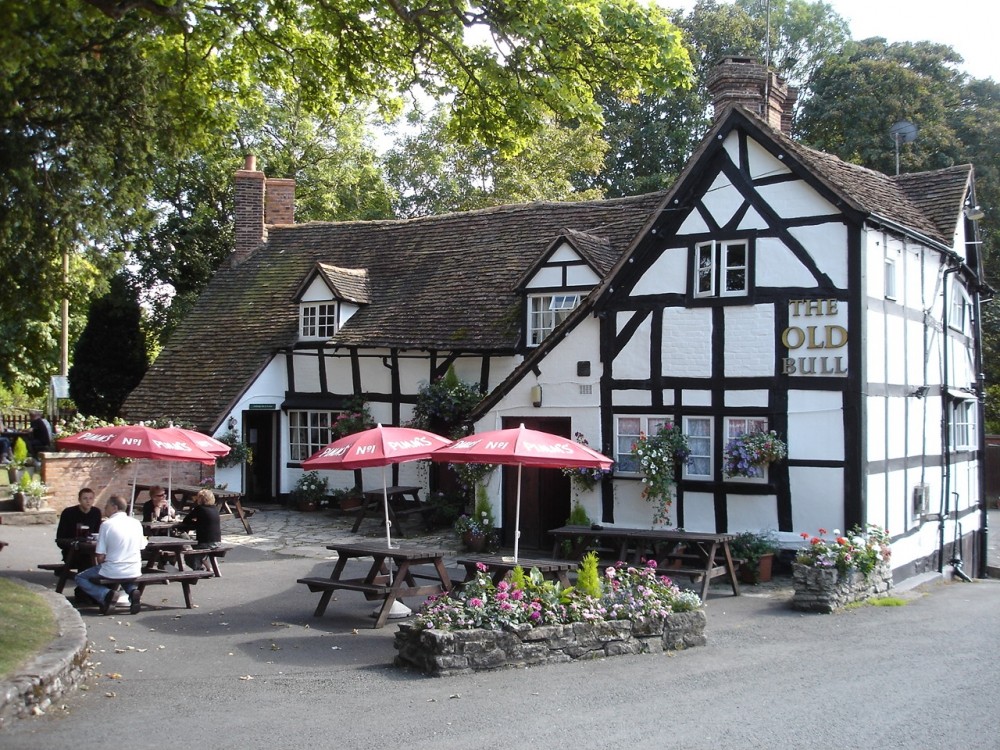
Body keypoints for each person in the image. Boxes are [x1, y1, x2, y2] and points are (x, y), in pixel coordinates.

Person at [75, 495, 147, 615]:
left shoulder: (107, 525)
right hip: (134, 568)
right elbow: (142, 546)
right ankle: (132, 591)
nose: (105, 508)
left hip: (114, 568)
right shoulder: (136, 523)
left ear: (114, 507)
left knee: (80, 578)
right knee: (122, 573)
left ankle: (106, 594)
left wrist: (103, 562)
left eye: (107, 506)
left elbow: (99, 555)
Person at [56, 487, 104, 562]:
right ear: (79, 500)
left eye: (91, 498)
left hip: (89, 550)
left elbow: (97, 533)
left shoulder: (96, 512)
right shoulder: (68, 513)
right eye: (85, 498)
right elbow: (60, 538)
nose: (88, 501)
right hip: (72, 550)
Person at [181, 488, 221, 571]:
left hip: (205, 542)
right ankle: (208, 568)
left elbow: (186, 520)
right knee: (197, 549)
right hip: (217, 541)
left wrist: (195, 522)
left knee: (188, 551)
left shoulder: (199, 509)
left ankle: (199, 569)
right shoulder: (215, 509)